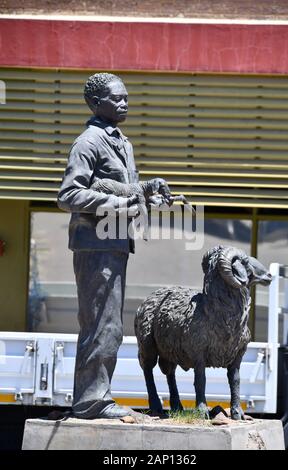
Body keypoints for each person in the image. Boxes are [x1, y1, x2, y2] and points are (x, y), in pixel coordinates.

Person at [57, 72, 159, 419]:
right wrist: (120, 206)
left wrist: (147, 190)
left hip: (114, 243)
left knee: (110, 324)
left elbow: (122, 187)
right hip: (94, 244)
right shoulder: (88, 142)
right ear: (96, 103)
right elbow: (69, 194)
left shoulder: (122, 142)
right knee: (100, 324)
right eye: (116, 98)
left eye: (126, 97)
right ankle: (91, 401)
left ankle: (98, 396)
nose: (124, 102)